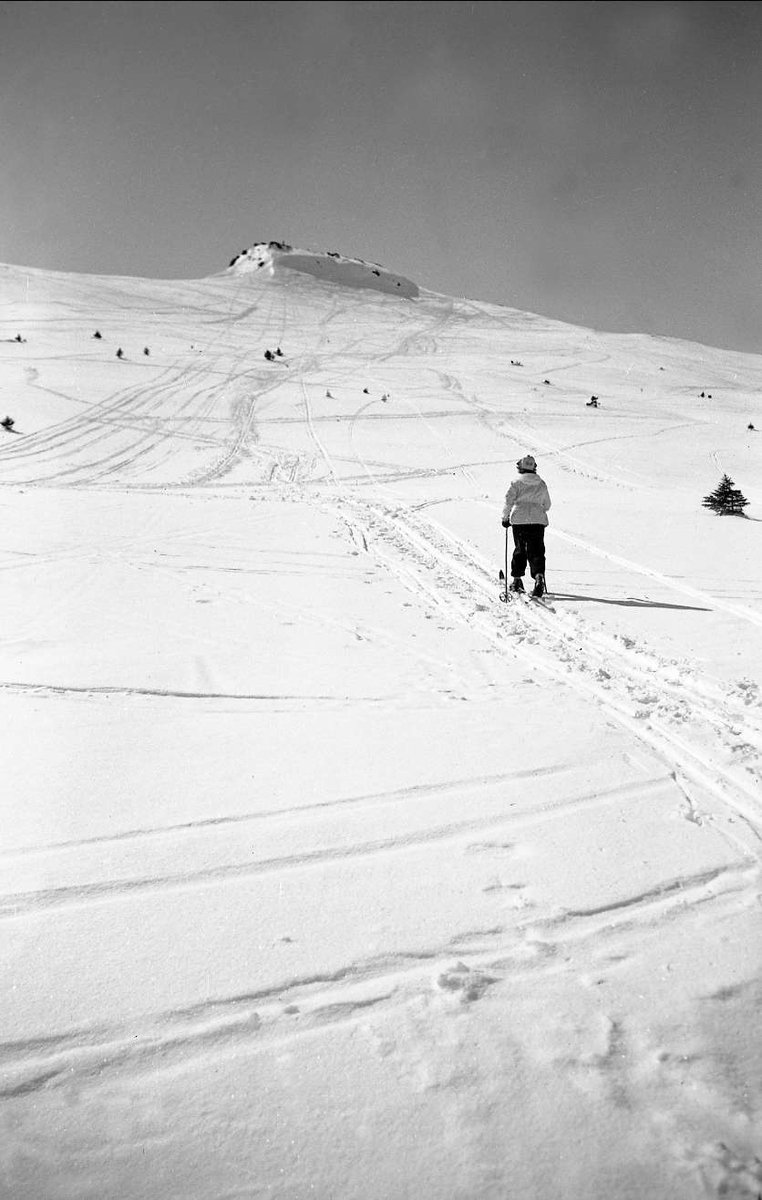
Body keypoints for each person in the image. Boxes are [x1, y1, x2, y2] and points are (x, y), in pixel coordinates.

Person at [501, 454, 551, 597]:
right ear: (534, 467)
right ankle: (538, 576)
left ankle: (517, 580)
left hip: (519, 520)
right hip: (537, 520)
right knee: (537, 550)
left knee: (520, 549)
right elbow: (547, 504)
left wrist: (505, 517)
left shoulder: (516, 482)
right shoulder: (541, 483)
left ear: (520, 467)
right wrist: (537, 509)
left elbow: (508, 500)